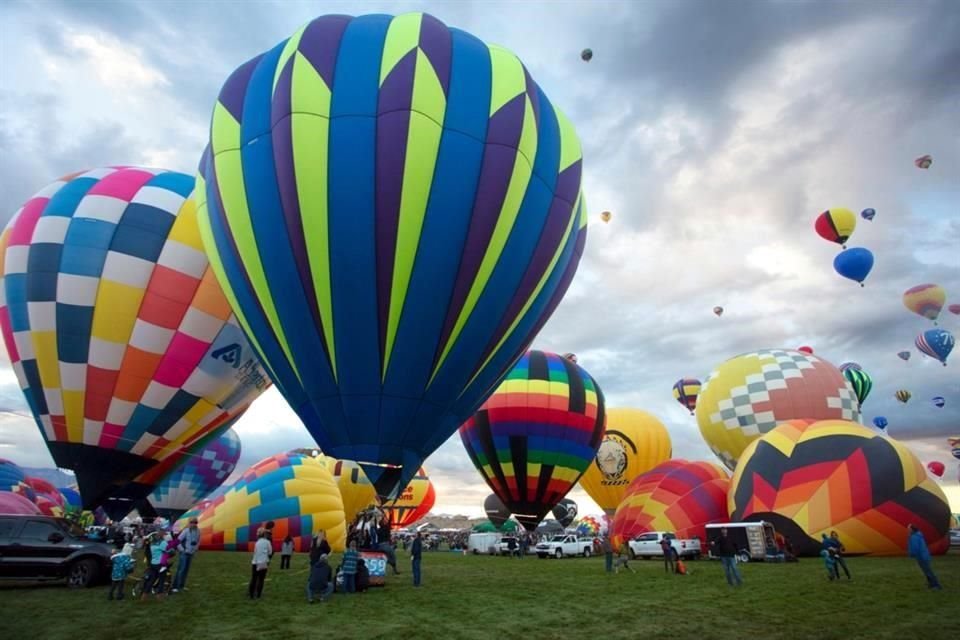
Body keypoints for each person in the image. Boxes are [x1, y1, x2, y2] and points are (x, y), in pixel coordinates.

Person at [907, 524, 942, 590]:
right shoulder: (917, 536)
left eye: (909, 529)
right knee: (926, 571)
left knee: (928, 571)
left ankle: (936, 585)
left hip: (921, 556)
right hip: (923, 556)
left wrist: (911, 554)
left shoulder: (914, 537)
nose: (908, 530)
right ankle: (931, 584)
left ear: (912, 529)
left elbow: (915, 547)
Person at [171, 517, 201, 593]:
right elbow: (177, 541)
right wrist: (182, 550)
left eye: (195, 522)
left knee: (186, 570)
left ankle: (181, 586)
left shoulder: (198, 531)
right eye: (192, 522)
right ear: (189, 523)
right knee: (181, 570)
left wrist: (195, 548)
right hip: (184, 554)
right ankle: (175, 586)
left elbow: (198, 541)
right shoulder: (186, 531)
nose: (194, 524)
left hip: (191, 553)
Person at [249, 528, 271, 599]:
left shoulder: (257, 542)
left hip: (255, 562)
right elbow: (270, 552)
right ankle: (258, 595)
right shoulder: (267, 542)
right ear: (264, 534)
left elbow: (255, 552)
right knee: (261, 579)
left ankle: (251, 595)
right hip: (263, 563)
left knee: (254, 579)